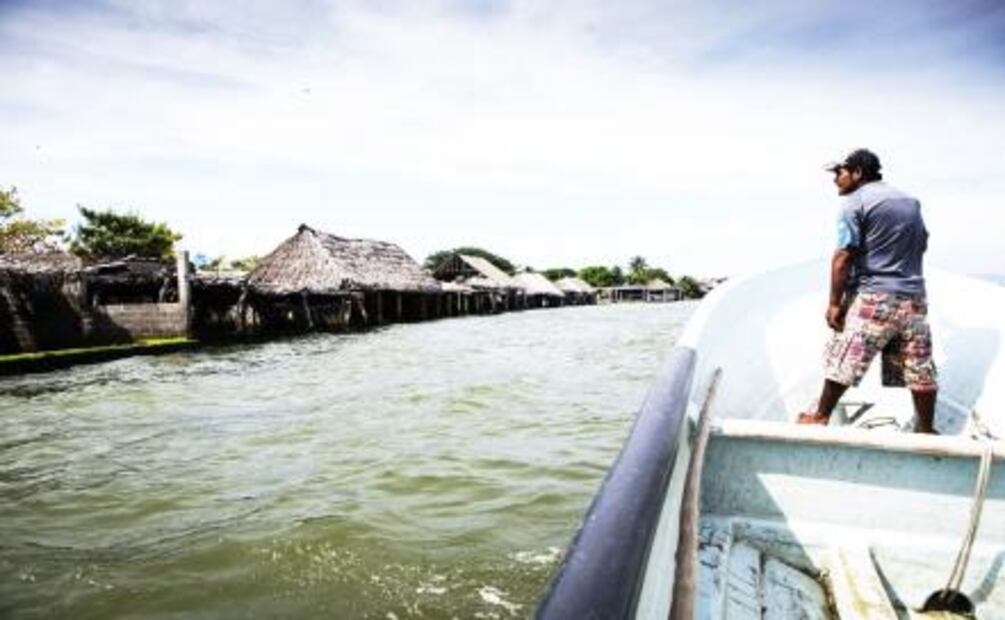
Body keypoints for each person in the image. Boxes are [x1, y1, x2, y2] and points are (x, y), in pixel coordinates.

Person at [797, 148, 938, 433]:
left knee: (845, 356)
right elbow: (922, 242)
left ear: (858, 173)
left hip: (874, 296)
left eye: (840, 172)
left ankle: (820, 416)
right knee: (919, 365)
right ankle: (925, 429)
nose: (835, 179)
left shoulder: (854, 202)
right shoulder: (910, 202)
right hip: (914, 298)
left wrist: (835, 304)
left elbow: (843, 256)